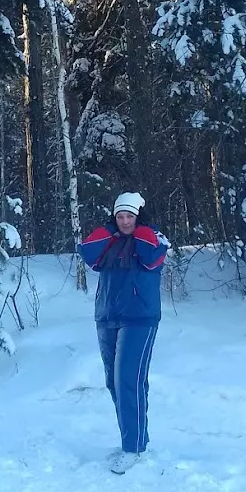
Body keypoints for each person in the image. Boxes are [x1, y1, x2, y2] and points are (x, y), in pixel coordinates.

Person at [78, 192, 166, 474]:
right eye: (121, 216)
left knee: (129, 379)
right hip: (106, 317)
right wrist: (110, 228)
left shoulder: (152, 237)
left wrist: (140, 227)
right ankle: (133, 439)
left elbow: (153, 258)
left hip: (139, 319)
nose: (125, 221)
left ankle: (135, 448)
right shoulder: (111, 241)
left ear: (139, 216)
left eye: (130, 216)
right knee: (114, 383)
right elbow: (88, 252)